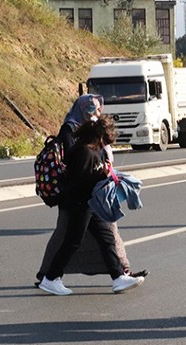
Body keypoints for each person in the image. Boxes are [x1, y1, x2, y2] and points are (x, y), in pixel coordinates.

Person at [35, 95, 147, 286]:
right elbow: (77, 177)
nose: (95, 113)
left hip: (91, 199)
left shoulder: (90, 147)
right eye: (91, 110)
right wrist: (99, 174)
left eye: (97, 109)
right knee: (70, 240)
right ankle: (49, 276)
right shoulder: (78, 142)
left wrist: (104, 173)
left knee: (106, 237)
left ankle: (119, 275)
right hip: (79, 201)